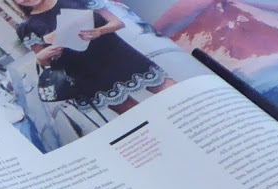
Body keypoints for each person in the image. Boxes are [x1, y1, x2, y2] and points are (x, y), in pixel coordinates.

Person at [17, 0, 174, 116]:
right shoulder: (27, 28)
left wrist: (99, 31)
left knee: (170, 90)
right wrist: (42, 58)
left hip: (119, 55)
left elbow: (117, 23)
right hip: (87, 75)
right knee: (137, 115)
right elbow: (45, 62)